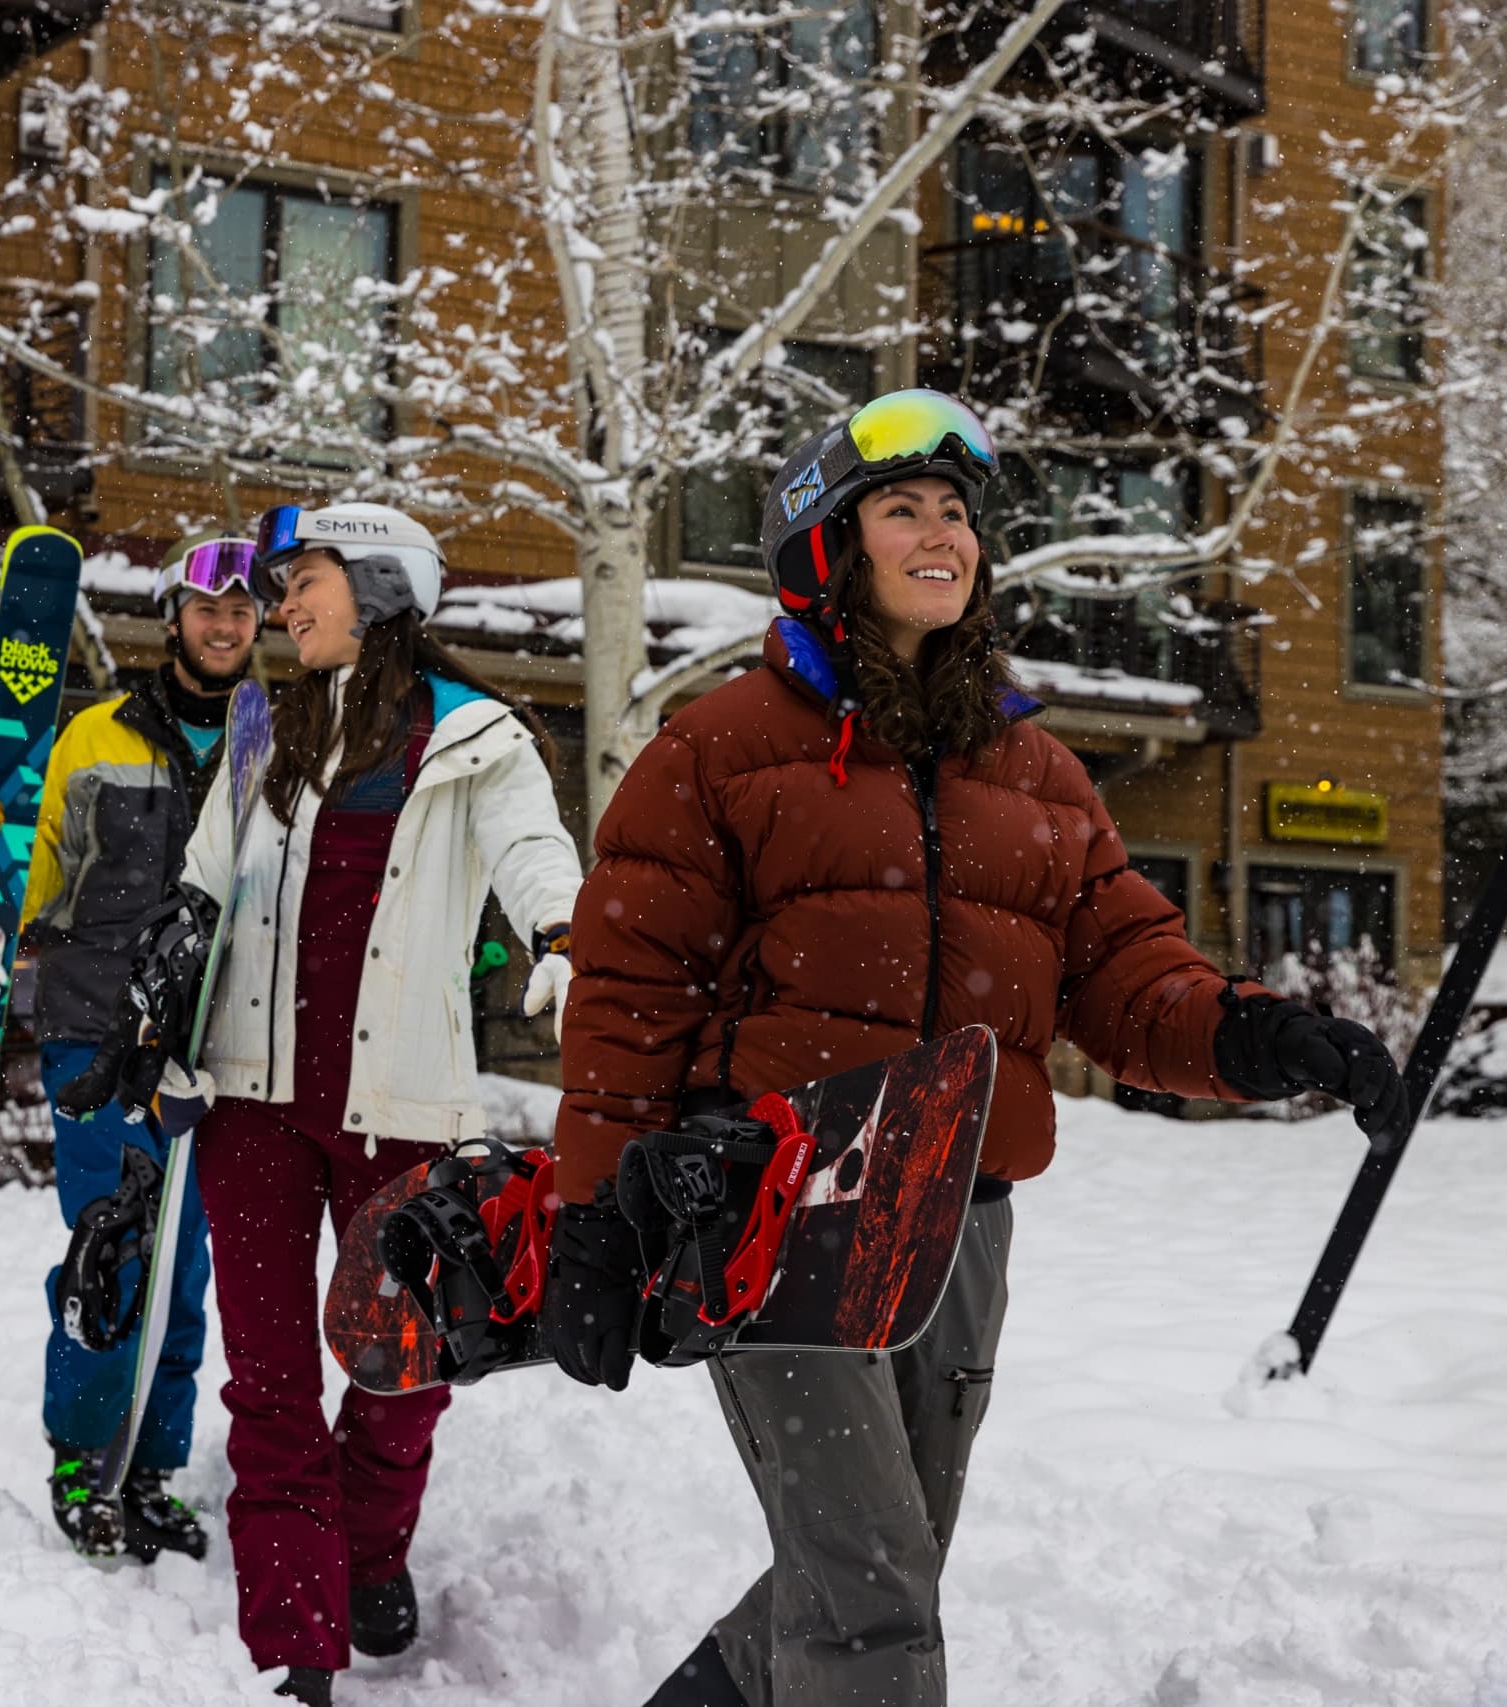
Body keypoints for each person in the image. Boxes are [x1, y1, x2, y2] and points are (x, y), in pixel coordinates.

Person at [537, 390, 1410, 1707]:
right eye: (903, 509)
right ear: (829, 545)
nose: (942, 532)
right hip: (782, 1209)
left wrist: (1257, 1033)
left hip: (962, 1218)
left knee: (875, 1569)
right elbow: (630, 991)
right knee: (870, 1596)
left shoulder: (1035, 773)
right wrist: (596, 1212)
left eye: (956, 511)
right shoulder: (720, 750)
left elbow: (1124, 972)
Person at [82, 502, 583, 1704]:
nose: (280, 605)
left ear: (379, 585)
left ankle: (367, 1549)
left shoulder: (473, 735)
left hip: (400, 1105)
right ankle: (296, 1646)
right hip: (250, 1106)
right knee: (268, 1384)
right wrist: (161, 987)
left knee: (406, 1369)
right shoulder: (264, 732)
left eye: (301, 579)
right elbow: (205, 882)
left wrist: (567, 937)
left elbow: (532, 853)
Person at [0, 534, 262, 1562]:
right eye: (206, 608)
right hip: (97, 1028)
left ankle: (150, 1471)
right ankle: (84, 1457)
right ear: (172, 617)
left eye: (241, 611)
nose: (224, 626)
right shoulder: (93, 736)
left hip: (217, 1041)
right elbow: (39, 874)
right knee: (114, 1239)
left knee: (185, 1267)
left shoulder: (273, 744)